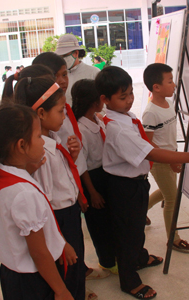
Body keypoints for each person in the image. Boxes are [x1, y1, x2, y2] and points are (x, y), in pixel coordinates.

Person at [95, 66, 189, 299]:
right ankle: (129, 280)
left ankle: (140, 257)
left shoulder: (124, 116)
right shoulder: (117, 127)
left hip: (136, 182)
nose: (130, 100)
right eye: (123, 97)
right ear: (105, 99)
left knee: (137, 228)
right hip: (124, 186)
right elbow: (150, 152)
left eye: (131, 93)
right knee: (128, 234)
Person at [0, 104, 75, 300]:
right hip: (34, 280)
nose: (42, 141)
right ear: (21, 145)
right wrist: (61, 290)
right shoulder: (24, 194)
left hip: (14, 274)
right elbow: (39, 254)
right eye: (39, 137)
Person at [14, 76, 94, 300]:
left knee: (76, 269)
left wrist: (73, 155)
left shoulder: (53, 138)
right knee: (68, 272)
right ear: (40, 114)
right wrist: (60, 241)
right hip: (57, 221)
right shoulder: (40, 155)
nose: (65, 115)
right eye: (60, 111)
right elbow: (44, 205)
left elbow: (63, 178)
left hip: (68, 214)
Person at [142, 63, 189, 253]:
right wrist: (171, 159)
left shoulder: (169, 103)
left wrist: (176, 156)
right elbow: (148, 144)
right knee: (172, 198)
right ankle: (173, 239)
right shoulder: (150, 112)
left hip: (171, 157)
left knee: (168, 192)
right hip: (161, 161)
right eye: (170, 81)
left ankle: (140, 213)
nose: (174, 85)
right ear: (156, 87)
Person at [71, 79, 118, 275]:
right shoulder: (81, 128)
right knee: (99, 225)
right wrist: (92, 192)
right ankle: (107, 261)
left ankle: (113, 255)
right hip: (93, 178)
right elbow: (82, 166)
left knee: (108, 220)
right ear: (94, 101)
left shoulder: (97, 119)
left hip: (105, 174)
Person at [55, 34, 100, 106]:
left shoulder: (93, 73)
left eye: (65, 55)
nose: (62, 59)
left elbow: (103, 102)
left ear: (76, 53)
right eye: (60, 56)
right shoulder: (56, 77)